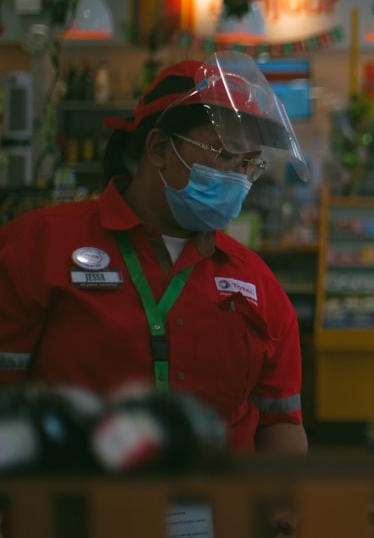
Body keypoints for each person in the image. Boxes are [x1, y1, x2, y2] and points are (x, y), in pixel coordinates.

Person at [0, 52, 308, 535]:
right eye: (224, 153)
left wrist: (280, 512)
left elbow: (280, 423)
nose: (237, 176)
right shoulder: (36, 248)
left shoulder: (258, 285)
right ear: (160, 149)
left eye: (249, 162)